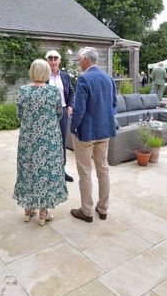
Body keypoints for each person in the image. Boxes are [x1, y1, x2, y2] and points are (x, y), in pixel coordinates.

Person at [13, 59, 68, 226]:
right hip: (49, 140)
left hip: (28, 139)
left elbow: (19, 114)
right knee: (46, 173)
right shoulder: (53, 92)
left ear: (31, 72)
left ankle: (28, 210)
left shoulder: (23, 91)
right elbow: (59, 113)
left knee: (28, 170)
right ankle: (43, 213)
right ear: (46, 73)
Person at [69, 47, 117, 223]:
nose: (78, 63)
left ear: (85, 60)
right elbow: (113, 105)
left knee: (85, 172)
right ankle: (103, 209)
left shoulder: (84, 79)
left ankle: (87, 211)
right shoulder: (108, 78)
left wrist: (73, 127)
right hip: (104, 132)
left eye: (79, 60)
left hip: (87, 134)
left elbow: (79, 109)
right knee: (103, 170)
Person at [45, 50, 75, 182]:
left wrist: (70, 105)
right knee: (48, 142)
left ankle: (61, 171)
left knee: (62, 141)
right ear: (47, 61)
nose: (53, 61)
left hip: (62, 112)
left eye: (55, 58)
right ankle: (48, 171)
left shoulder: (65, 76)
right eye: (50, 58)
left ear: (59, 60)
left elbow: (71, 91)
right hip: (48, 114)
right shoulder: (43, 76)